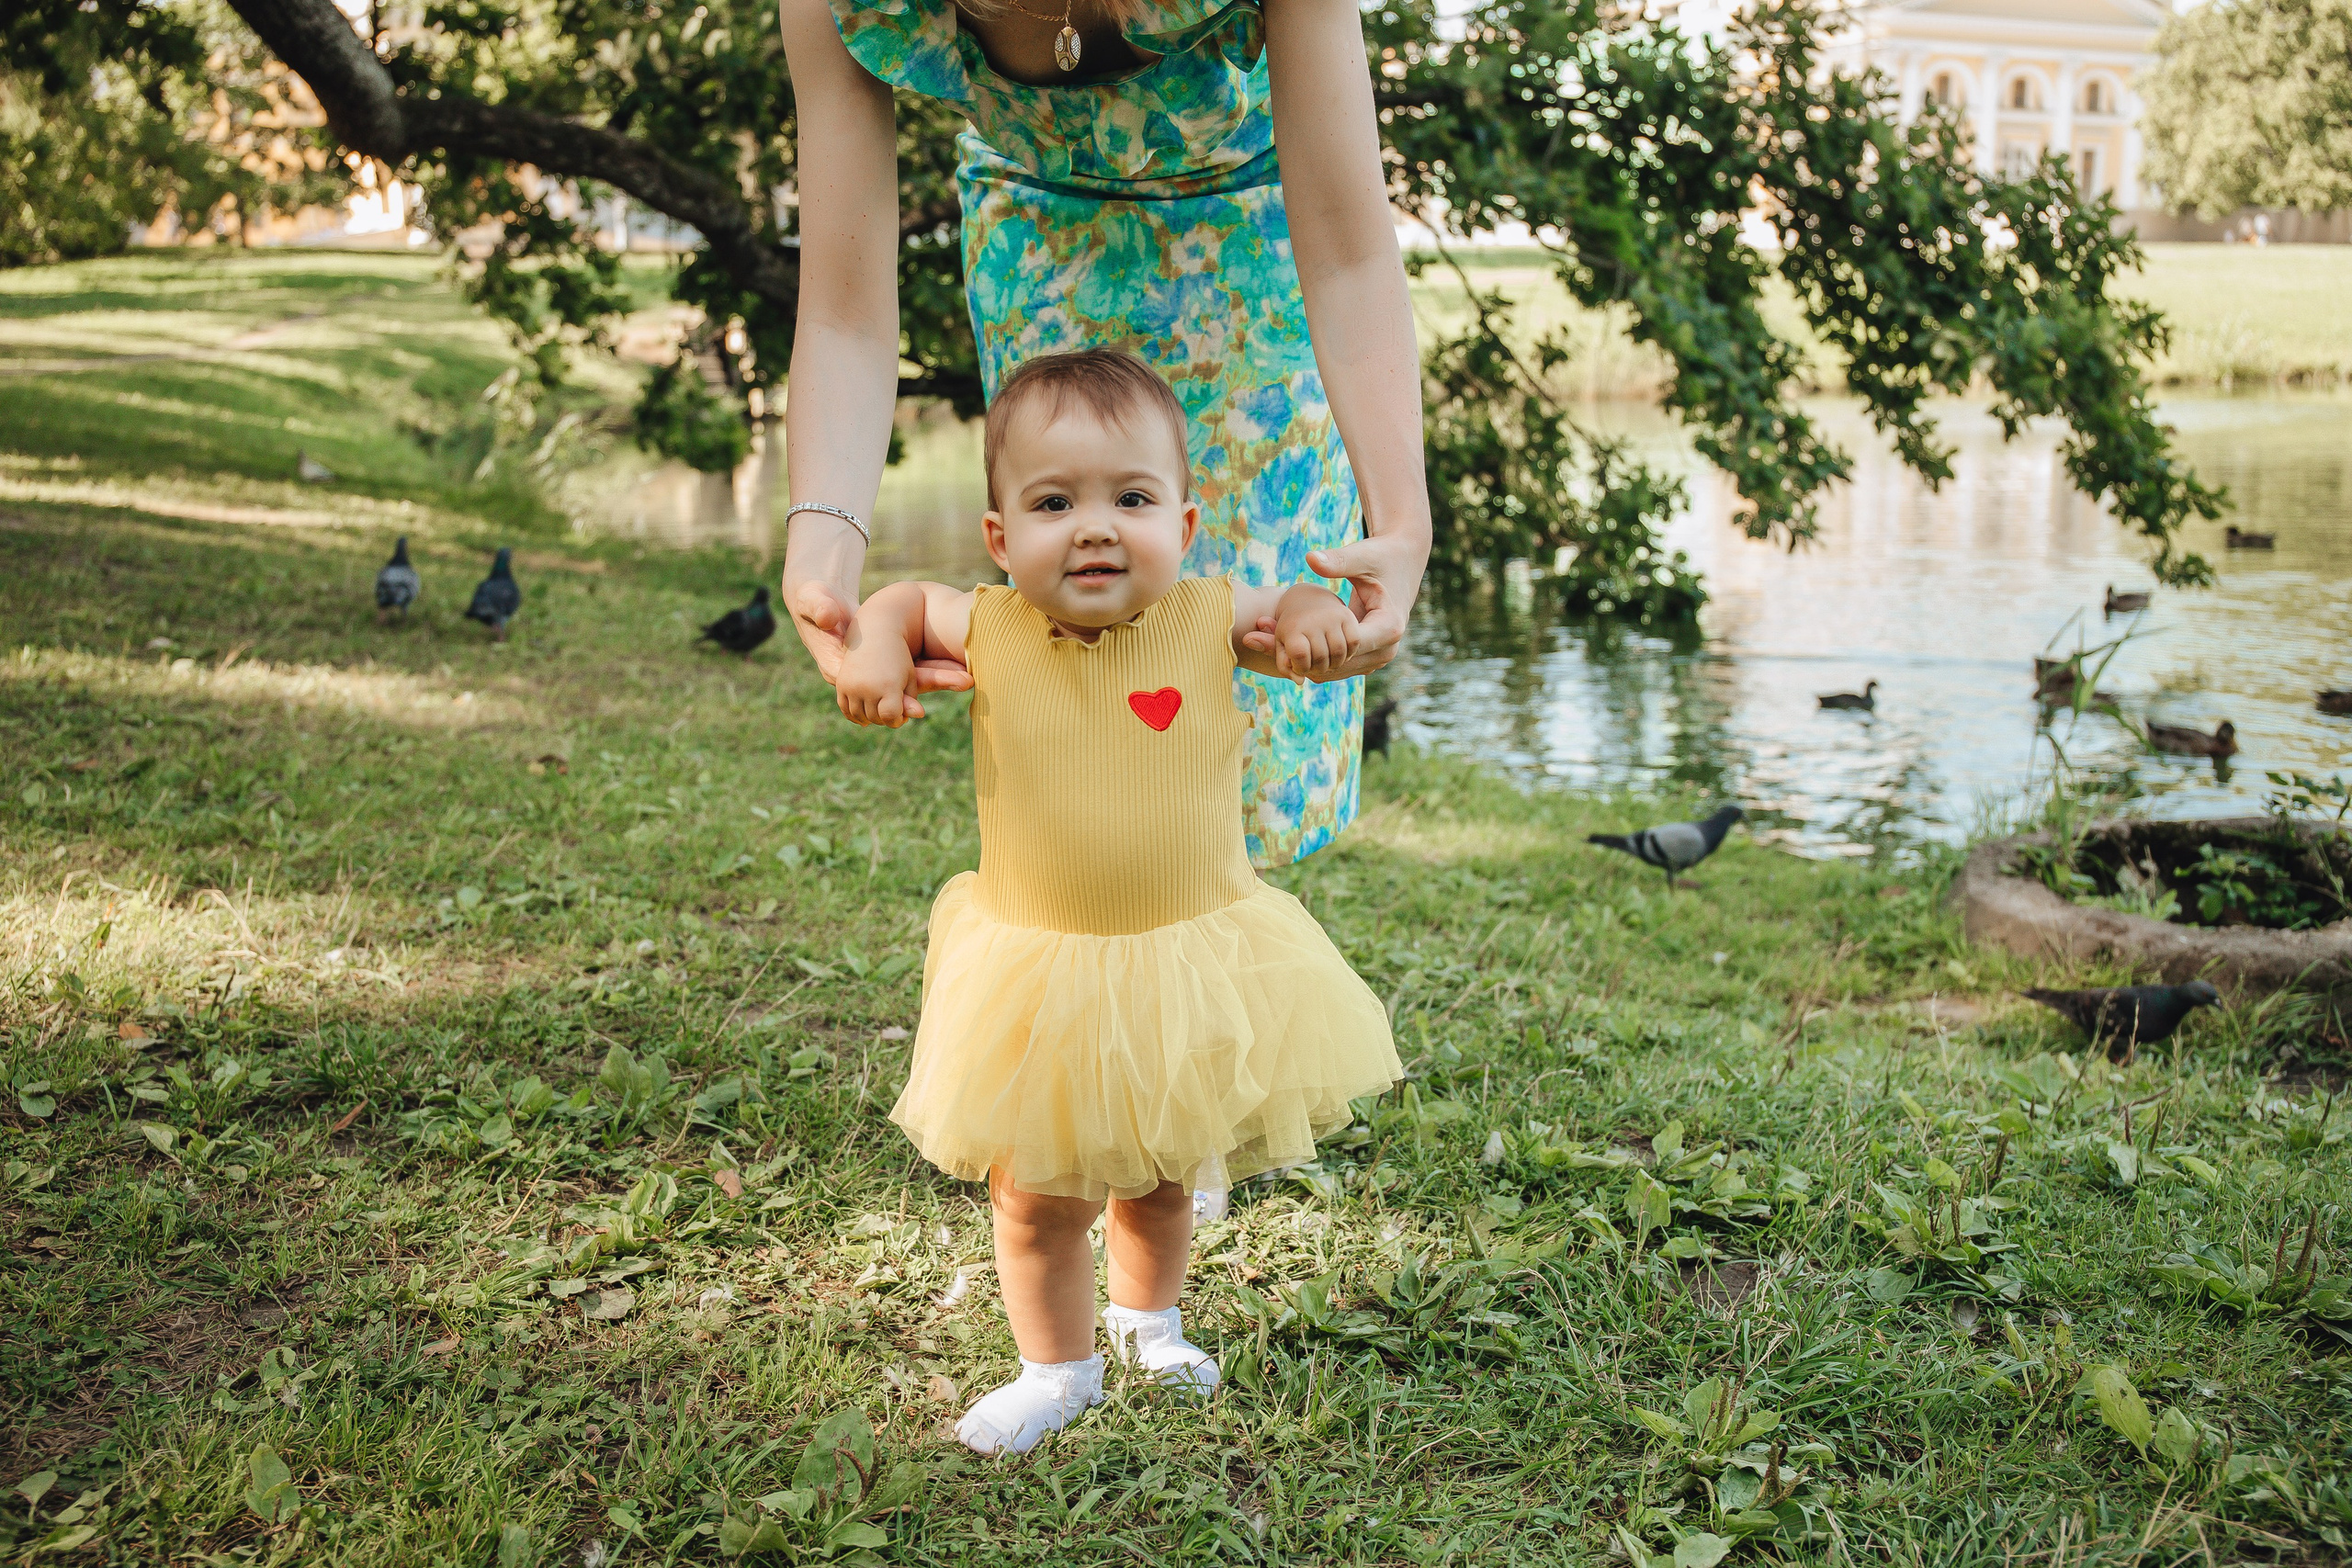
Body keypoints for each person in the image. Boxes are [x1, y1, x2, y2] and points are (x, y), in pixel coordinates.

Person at [834, 349, 1400, 1455]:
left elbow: (1281, 611)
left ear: (1184, 526)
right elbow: (902, 599)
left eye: (1129, 500)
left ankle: (1151, 1324)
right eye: (1054, 504)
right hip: (1039, 967)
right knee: (1038, 1194)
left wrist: (1312, 613)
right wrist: (871, 644)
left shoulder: (1199, 616)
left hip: (1181, 960)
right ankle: (1056, 1369)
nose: (1093, 529)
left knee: (1159, 1176)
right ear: (1001, 537)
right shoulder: (992, 624)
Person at [776, 0, 1430, 871]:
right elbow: (844, 312)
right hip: (1036, 245)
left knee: (1254, 721)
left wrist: (1401, 522)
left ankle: (1227, 950)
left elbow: (1350, 257)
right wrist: (822, 538)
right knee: (1073, 684)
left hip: (1257, 254)